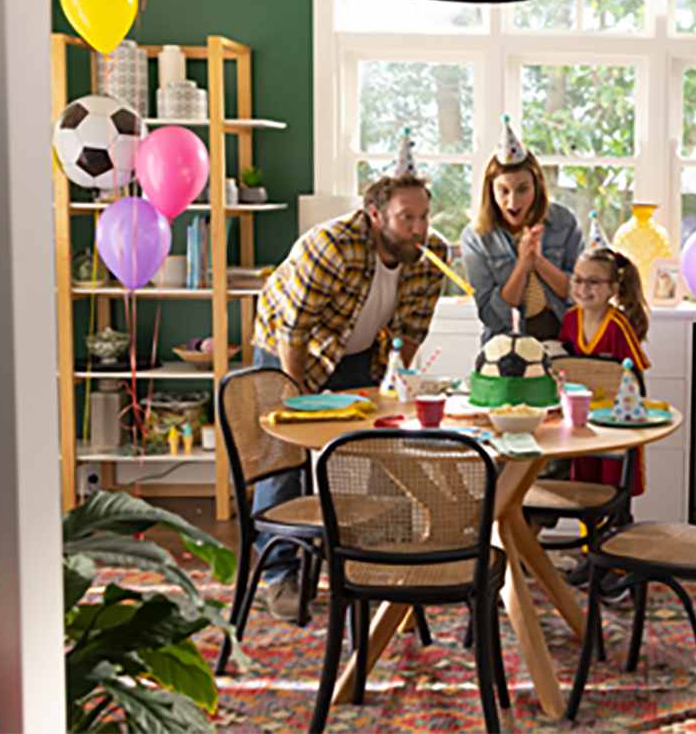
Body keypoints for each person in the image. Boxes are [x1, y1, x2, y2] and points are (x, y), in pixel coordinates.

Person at [249, 167, 447, 618]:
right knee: (286, 455)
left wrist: (395, 386)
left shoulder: (432, 254)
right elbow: (294, 330)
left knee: (366, 449)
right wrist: (296, 399)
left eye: (424, 217)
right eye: (406, 218)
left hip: (359, 351)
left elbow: (413, 329)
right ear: (375, 215)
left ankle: (366, 562)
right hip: (289, 345)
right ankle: (280, 575)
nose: (419, 229)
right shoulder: (331, 247)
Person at [462, 114, 583, 342]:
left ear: (537, 186)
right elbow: (491, 316)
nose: (513, 202)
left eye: (522, 189)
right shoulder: (476, 237)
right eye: (503, 191)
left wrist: (539, 262)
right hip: (506, 347)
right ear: (491, 190)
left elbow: (580, 294)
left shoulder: (563, 222)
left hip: (564, 342)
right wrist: (523, 265)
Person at [560, 246, 651, 495]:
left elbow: (635, 375)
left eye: (593, 282)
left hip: (615, 423)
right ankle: (589, 533)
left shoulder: (617, 326)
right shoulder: (570, 320)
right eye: (578, 280)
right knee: (584, 486)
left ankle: (613, 532)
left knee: (613, 485)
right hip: (583, 420)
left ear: (613, 289)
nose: (583, 288)